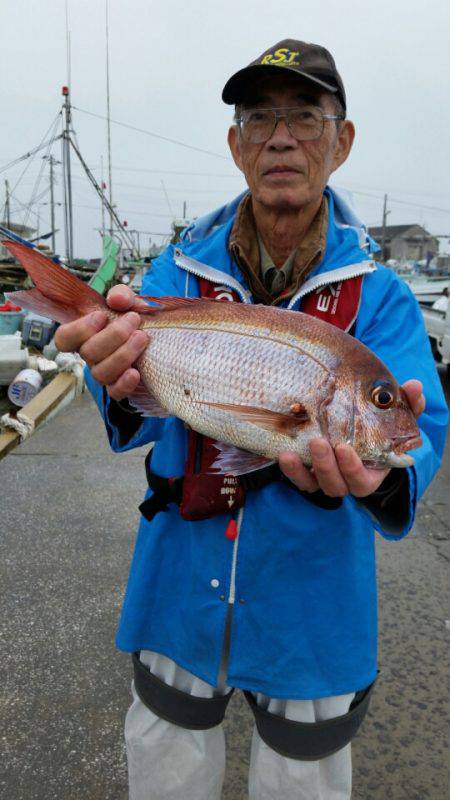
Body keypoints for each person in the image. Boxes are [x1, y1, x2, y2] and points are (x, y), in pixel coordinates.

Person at [55, 39, 448, 800]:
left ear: (343, 141)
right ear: (235, 145)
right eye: (260, 118)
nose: (281, 137)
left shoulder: (385, 297)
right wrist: (107, 371)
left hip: (315, 612)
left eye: (306, 117)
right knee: (165, 774)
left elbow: (419, 434)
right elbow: (134, 405)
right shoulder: (177, 275)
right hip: (177, 590)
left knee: (305, 782)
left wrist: (375, 479)